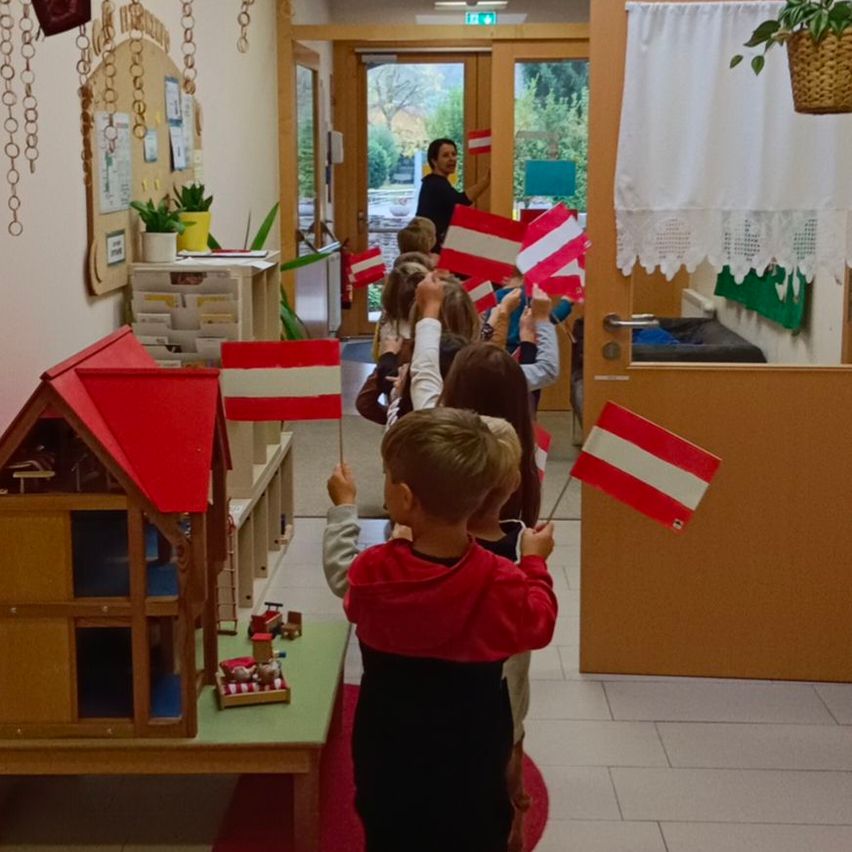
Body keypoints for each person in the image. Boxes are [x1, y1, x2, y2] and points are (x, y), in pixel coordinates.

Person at [344, 407, 557, 852]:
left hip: (388, 749)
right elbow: (539, 625)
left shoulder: (372, 571)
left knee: (388, 832)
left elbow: (354, 604)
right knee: (475, 831)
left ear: (405, 498)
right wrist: (535, 563)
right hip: (472, 753)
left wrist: (397, 548)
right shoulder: (502, 580)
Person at [416, 137, 490, 249]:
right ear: (434, 161)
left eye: (454, 154)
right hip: (430, 249)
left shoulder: (435, 182)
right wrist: (486, 181)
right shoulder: (435, 184)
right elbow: (461, 201)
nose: (452, 159)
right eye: (445, 155)